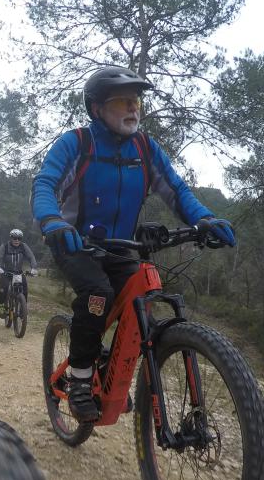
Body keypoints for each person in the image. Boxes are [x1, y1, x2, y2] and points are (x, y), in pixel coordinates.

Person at [31, 65, 236, 422]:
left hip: (120, 246)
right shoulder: (77, 143)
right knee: (98, 294)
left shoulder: (145, 148)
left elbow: (176, 190)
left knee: (144, 299)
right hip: (75, 243)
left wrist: (204, 218)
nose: (133, 108)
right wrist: (53, 221)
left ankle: (110, 366)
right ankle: (80, 378)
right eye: (122, 101)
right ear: (97, 108)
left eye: (136, 101)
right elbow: (45, 184)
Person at [0, 229, 38, 319]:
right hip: (6, 272)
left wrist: (33, 268)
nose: (17, 240)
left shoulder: (24, 246)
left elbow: (31, 257)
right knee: (3, 288)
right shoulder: (5, 246)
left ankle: (23, 308)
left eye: (19, 238)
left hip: (19, 272)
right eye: (14, 238)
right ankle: (1, 305)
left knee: (25, 289)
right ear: (11, 238)